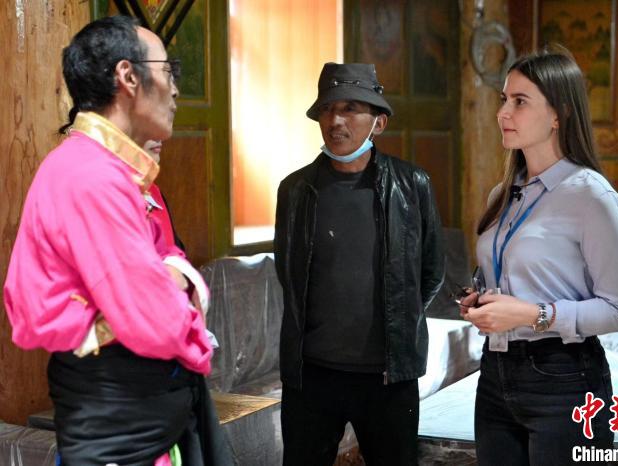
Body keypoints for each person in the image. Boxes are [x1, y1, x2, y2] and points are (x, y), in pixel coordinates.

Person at [3, 16, 232, 466]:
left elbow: (169, 263)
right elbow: (158, 321)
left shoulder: (118, 172)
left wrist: (169, 277)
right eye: (168, 71)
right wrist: (172, 284)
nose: (176, 90)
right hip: (118, 422)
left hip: (143, 416)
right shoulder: (90, 176)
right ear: (128, 76)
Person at [458, 48, 618, 466]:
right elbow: (517, 277)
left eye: (520, 101)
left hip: (565, 379)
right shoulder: (503, 194)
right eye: (504, 99)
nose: (503, 112)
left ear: (558, 114)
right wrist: (483, 300)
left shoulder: (591, 196)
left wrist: (530, 314)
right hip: (495, 374)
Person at [274, 62, 445, 465]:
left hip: (388, 377)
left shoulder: (412, 185)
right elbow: (289, 272)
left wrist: (399, 322)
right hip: (311, 375)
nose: (336, 120)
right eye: (328, 109)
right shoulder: (295, 190)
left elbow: (431, 271)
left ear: (378, 123)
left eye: (350, 108)